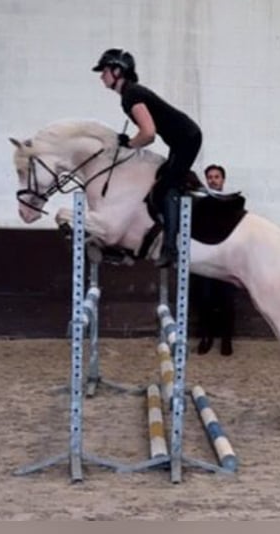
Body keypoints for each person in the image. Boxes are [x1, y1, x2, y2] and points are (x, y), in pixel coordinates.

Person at [92, 48, 202, 267]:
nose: (101, 76)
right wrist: (130, 143)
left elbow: (148, 134)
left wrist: (128, 144)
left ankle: (171, 249)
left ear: (117, 71)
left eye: (104, 70)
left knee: (165, 189)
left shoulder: (131, 94)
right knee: (159, 183)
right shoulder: (130, 94)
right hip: (180, 141)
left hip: (187, 140)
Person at [195, 164, 237, 356]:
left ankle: (227, 340)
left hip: (227, 261)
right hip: (205, 260)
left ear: (223, 180)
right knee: (204, 299)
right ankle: (206, 338)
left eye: (217, 177)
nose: (213, 180)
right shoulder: (199, 203)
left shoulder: (232, 202)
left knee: (227, 300)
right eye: (210, 177)